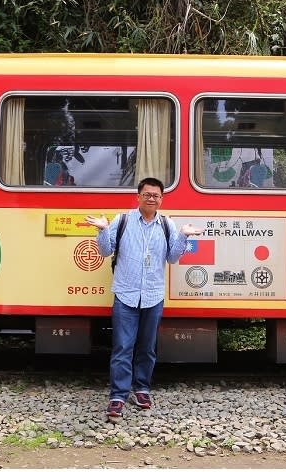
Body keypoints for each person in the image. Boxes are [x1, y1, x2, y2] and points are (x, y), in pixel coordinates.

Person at [85, 177, 202, 419]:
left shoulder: (167, 224)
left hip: (153, 295)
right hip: (125, 294)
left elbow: (172, 258)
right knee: (122, 348)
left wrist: (183, 236)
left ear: (161, 199)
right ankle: (118, 395)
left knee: (147, 348)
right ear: (138, 196)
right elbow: (106, 251)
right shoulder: (123, 220)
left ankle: (142, 389)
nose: (151, 198)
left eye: (156, 195)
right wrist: (103, 230)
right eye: (147, 194)